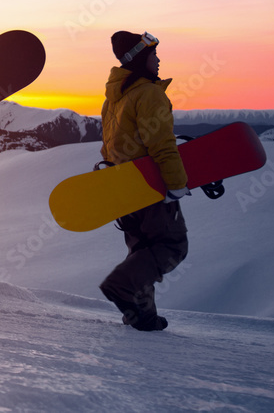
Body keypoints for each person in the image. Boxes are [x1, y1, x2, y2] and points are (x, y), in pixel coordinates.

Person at [98, 30, 190, 331]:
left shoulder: (114, 97)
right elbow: (162, 145)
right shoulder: (149, 94)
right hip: (150, 185)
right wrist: (176, 185)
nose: (159, 60)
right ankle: (120, 285)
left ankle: (142, 315)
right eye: (153, 55)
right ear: (139, 59)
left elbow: (108, 144)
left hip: (125, 186)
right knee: (171, 245)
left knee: (141, 250)